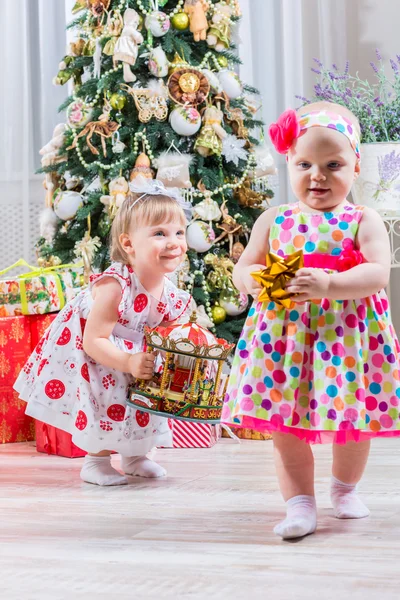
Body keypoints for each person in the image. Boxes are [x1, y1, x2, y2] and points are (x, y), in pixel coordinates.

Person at [222, 101, 400, 539]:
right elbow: (243, 268)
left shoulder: (363, 219)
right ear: (288, 162)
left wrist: (330, 285)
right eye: (305, 164)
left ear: (355, 167)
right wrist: (255, 279)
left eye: (332, 164)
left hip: (347, 340)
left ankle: (345, 489)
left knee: (352, 421)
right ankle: (299, 502)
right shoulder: (274, 219)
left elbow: (377, 272)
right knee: (286, 424)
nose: (317, 175)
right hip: (283, 341)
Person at [15, 179, 192, 486]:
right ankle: (95, 460)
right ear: (128, 244)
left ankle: (135, 456)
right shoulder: (115, 286)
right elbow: (93, 340)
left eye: (179, 232)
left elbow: (168, 330)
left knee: (143, 392)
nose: (173, 241)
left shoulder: (170, 292)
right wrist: (126, 361)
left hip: (128, 347)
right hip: (90, 348)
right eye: (159, 234)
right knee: (103, 393)